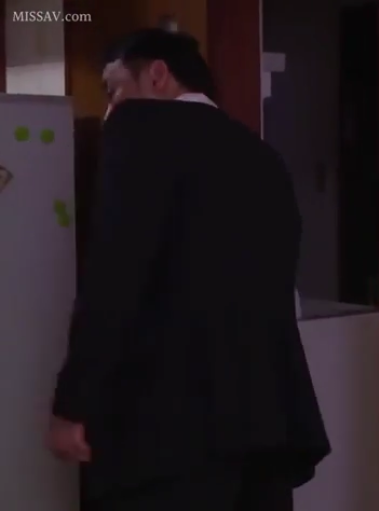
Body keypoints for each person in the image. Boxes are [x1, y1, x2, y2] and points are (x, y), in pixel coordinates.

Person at [47, 28, 330, 510]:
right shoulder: (261, 155)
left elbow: (116, 279)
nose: (110, 109)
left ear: (157, 74)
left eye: (114, 90)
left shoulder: (141, 131)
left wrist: (72, 403)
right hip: (267, 422)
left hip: (169, 427)